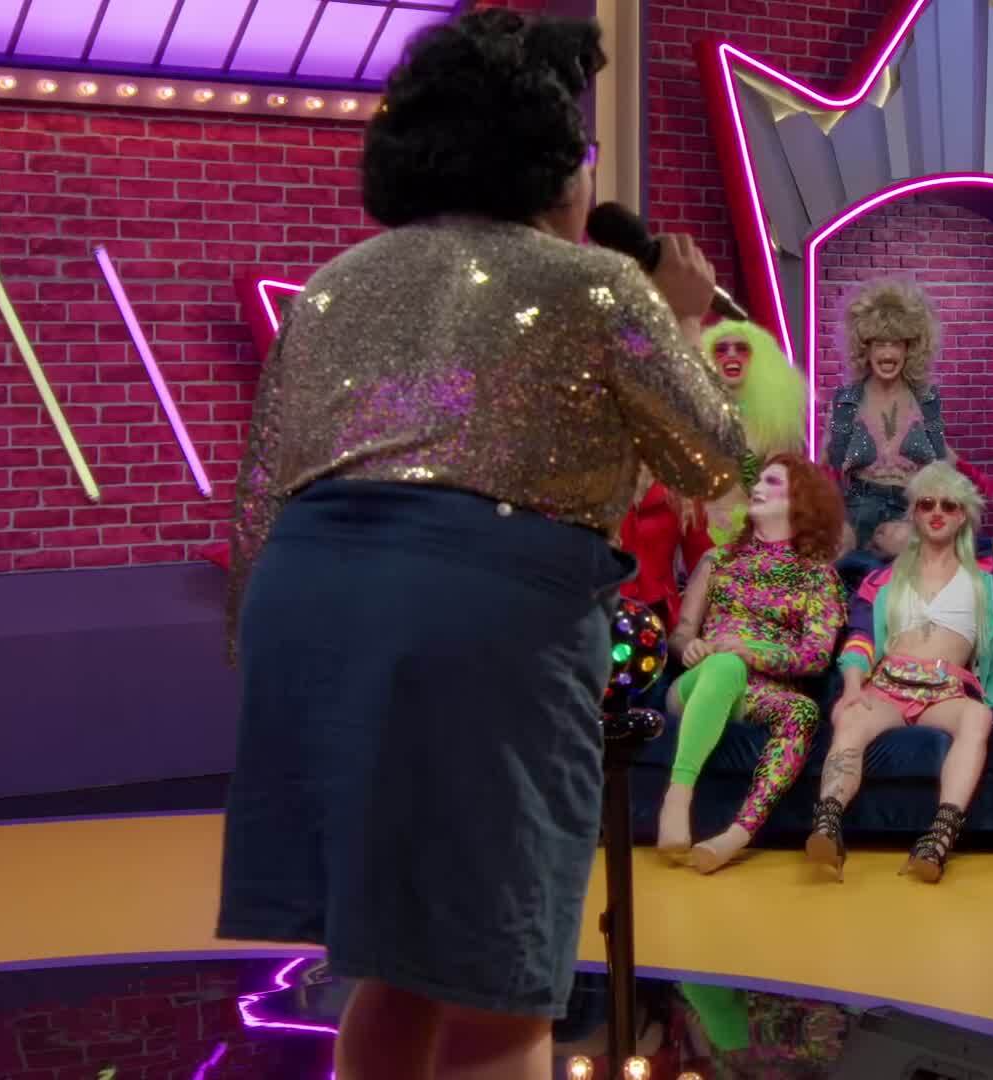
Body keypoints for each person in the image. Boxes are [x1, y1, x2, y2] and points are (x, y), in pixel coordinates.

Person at [215, 12, 746, 1079]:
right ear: (551, 164)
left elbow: (264, 491)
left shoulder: (336, 283)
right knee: (501, 981)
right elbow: (711, 458)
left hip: (306, 612)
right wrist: (683, 317)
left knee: (391, 961)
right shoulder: (594, 285)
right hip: (480, 615)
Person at [805, 462, 993, 883]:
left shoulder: (989, 581)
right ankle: (827, 824)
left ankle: (938, 839)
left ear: (963, 515)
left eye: (949, 505)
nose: (936, 512)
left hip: (948, 690)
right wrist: (853, 687)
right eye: (926, 503)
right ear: (913, 513)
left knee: (977, 717)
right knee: (850, 717)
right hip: (888, 685)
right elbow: (860, 639)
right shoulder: (883, 579)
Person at [658, 454, 847, 873]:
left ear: (799, 500)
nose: (757, 488)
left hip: (762, 694)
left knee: (803, 710)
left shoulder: (817, 576)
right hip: (699, 685)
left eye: (771, 482)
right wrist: (689, 647)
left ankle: (735, 835)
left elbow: (816, 656)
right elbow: (681, 632)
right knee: (725, 665)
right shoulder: (719, 560)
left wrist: (752, 652)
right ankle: (677, 797)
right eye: (758, 480)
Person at [823, 279, 950, 556]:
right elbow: (830, 469)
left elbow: (942, 464)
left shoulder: (927, 400)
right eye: (880, 344)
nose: (888, 353)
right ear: (865, 349)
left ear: (910, 349)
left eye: (897, 344)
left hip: (912, 513)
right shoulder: (846, 400)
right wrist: (836, 523)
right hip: (858, 512)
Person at [699, 319, 808, 545]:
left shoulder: (774, 423)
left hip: (752, 534)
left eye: (741, 349)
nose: (731, 354)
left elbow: (779, 490)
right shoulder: (693, 417)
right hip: (697, 531)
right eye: (721, 350)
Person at [619, 465, 711, 629]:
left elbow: (700, 557)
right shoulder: (597, 479)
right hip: (602, 607)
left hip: (658, 612)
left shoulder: (682, 489)